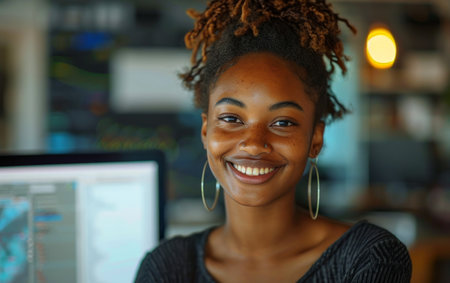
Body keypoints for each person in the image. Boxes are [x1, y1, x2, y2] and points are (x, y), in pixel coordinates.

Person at [135, 0, 412, 282]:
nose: (254, 144)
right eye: (231, 118)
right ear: (206, 132)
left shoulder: (369, 258)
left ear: (315, 139)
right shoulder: (167, 267)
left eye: (283, 122)